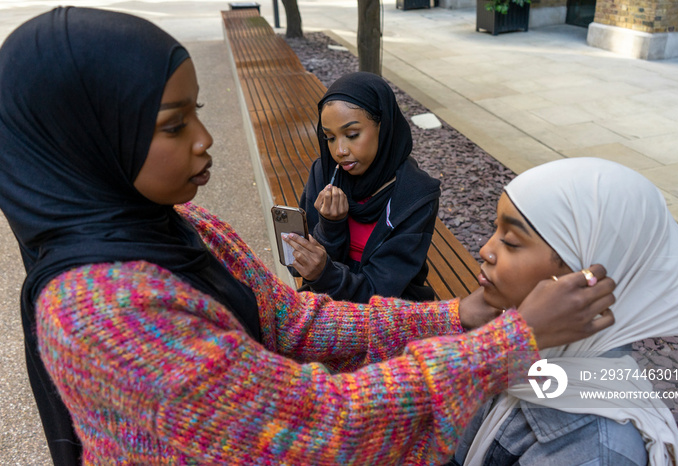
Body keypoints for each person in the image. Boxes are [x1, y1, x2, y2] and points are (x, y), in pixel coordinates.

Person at [0, 8, 615, 465]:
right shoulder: (106, 310)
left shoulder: (178, 229)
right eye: (172, 124)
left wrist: (458, 311)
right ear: (84, 141)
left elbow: (290, 320)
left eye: (198, 112)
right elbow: (321, 423)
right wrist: (513, 336)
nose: (204, 140)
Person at [448, 158, 678, 466]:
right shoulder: (516, 358)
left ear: (585, 279)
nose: (486, 250)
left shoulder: (594, 451)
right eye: (494, 229)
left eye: (511, 242)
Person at [284, 71, 441, 302]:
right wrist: (329, 227)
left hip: (392, 315)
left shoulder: (414, 195)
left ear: (384, 126)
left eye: (352, 134)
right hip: (329, 305)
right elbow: (297, 267)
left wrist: (323, 273)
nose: (340, 151)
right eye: (330, 138)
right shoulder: (325, 174)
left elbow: (379, 292)